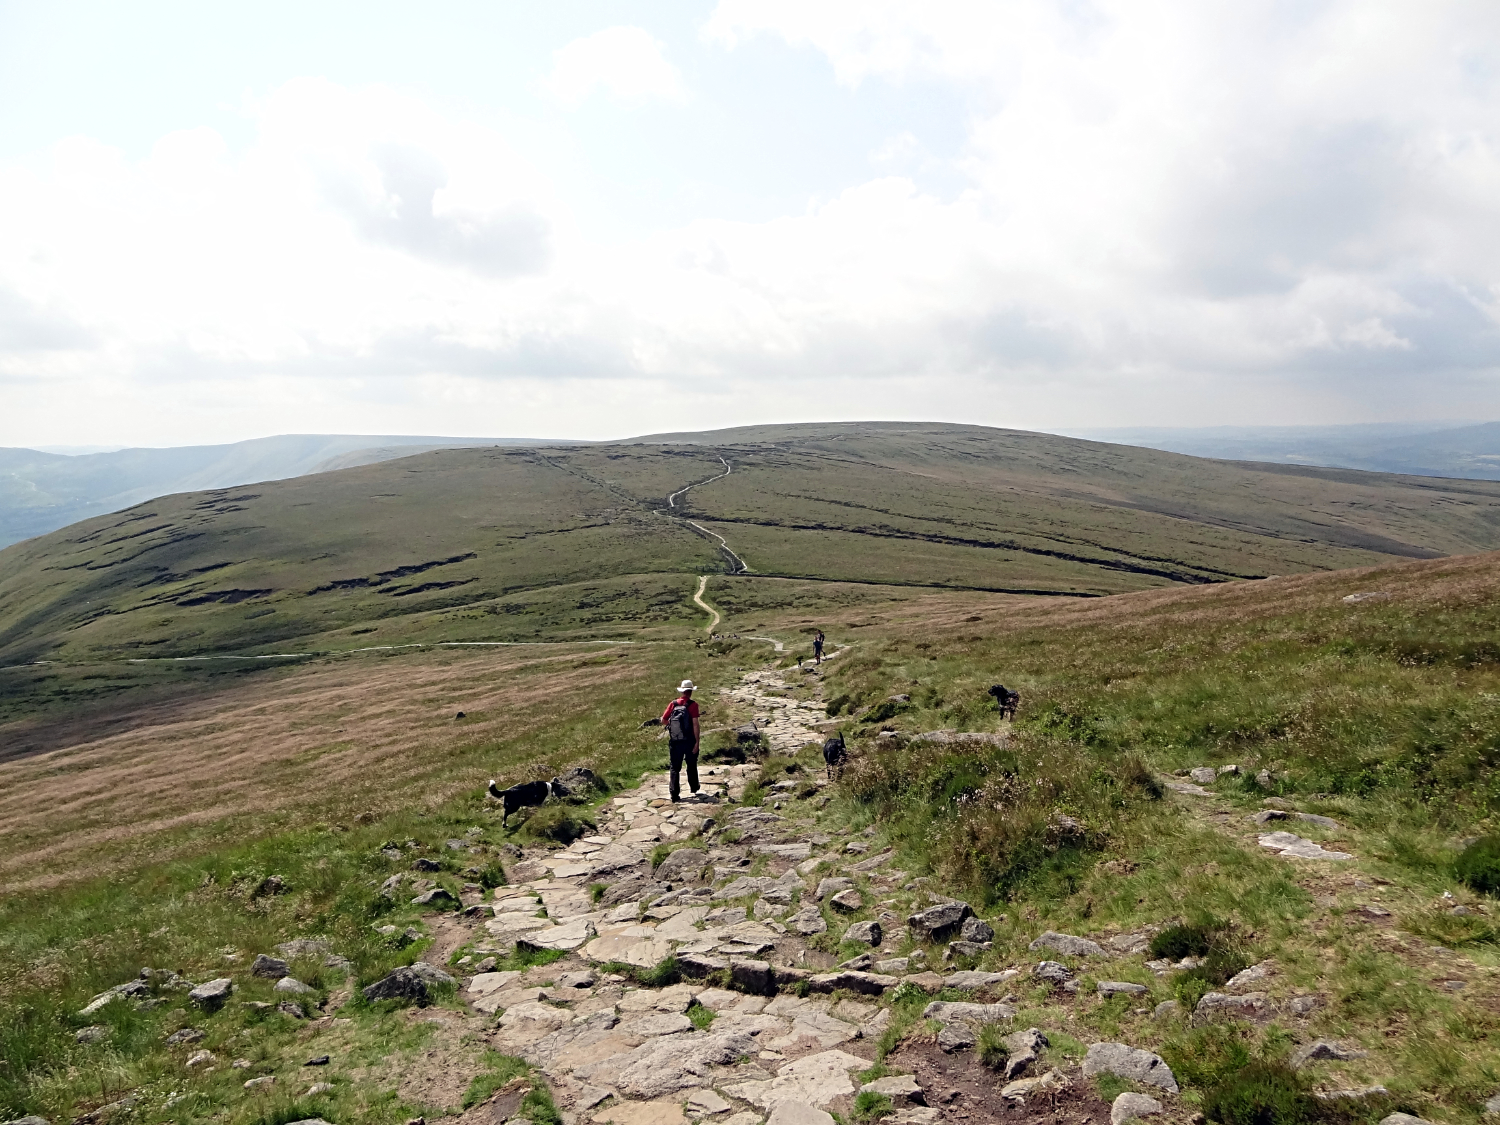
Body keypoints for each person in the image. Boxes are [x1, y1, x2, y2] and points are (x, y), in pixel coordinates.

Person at [660, 678, 701, 802]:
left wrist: (672, 727)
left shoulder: (673, 704)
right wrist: (697, 742)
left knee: (674, 767)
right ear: (691, 691)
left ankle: (674, 794)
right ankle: (694, 787)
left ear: (682, 691)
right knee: (691, 764)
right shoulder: (693, 705)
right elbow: (695, 724)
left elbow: (663, 720)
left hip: (675, 741)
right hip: (689, 740)